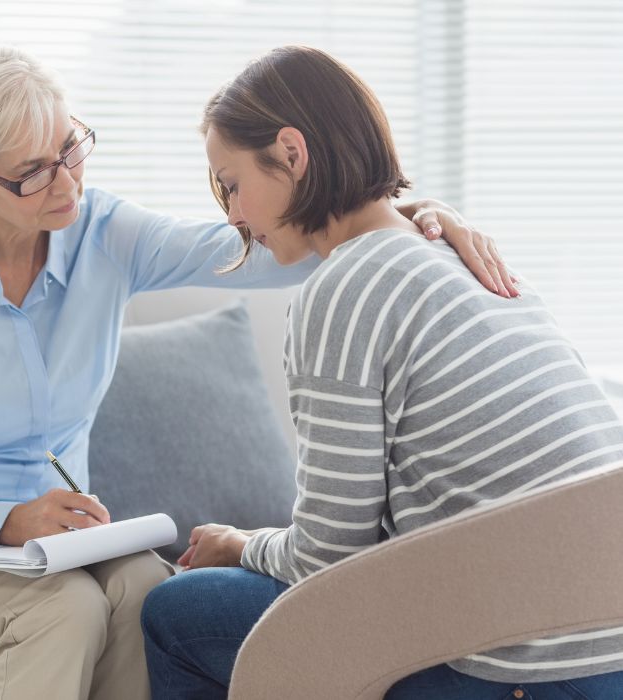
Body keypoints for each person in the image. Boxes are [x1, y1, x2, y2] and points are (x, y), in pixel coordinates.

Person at [0, 42, 511, 700]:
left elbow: (275, 244)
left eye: (69, 148)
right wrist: (4, 520)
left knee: (147, 593)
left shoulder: (102, 233)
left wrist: (407, 215)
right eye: (32, 172)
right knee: (61, 613)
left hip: (46, 550)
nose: (65, 183)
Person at [140, 45, 623, 700]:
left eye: (230, 183)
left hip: (517, 670)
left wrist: (239, 543)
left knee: (176, 613)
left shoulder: (343, 291)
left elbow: (325, 563)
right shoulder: (470, 261)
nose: (234, 215)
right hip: (603, 637)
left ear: (290, 152)